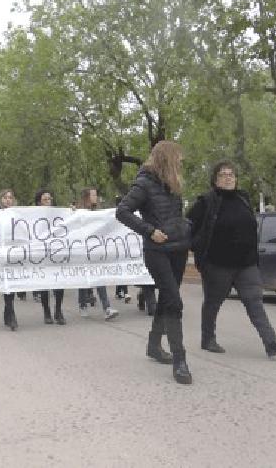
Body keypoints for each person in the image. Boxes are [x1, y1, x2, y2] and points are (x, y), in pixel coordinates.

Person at [186, 161, 276, 358]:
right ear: (215, 179)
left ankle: (271, 342)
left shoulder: (243, 198)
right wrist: (198, 247)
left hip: (246, 263)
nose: (228, 177)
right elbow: (188, 228)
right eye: (223, 174)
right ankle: (207, 339)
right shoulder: (206, 201)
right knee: (213, 303)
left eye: (232, 174)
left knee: (255, 301)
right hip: (218, 264)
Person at [116, 140, 194, 384]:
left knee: (167, 299)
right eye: (177, 157)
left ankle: (153, 345)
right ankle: (180, 360)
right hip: (157, 251)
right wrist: (149, 230)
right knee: (174, 302)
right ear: (167, 158)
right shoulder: (144, 183)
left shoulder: (174, 185)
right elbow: (123, 211)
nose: (181, 161)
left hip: (178, 249)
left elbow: (175, 215)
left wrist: (185, 228)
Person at [74, 187, 120, 321]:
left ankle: (107, 308)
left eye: (96, 194)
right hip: (82, 250)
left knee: (100, 278)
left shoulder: (98, 212)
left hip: (95, 250)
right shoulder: (79, 212)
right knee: (84, 280)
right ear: (87, 197)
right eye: (93, 195)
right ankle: (82, 305)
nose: (96, 197)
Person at [32, 190, 68, 325]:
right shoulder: (33, 216)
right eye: (45, 199)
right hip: (41, 254)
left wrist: (73, 212)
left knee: (59, 283)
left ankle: (58, 310)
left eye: (49, 199)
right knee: (44, 284)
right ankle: (46, 311)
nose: (48, 201)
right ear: (39, 202)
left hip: (56, 253)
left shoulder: (58, 214)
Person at [0, 189, 21, 330]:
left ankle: (7, 311)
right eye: (5, 198)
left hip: (15, 254)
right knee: (7, 285)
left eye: (10, 197)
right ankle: (11, 315)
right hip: (1, 254)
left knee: (14, 285)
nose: (8, 200)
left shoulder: (19, 215)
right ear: (0, 200)